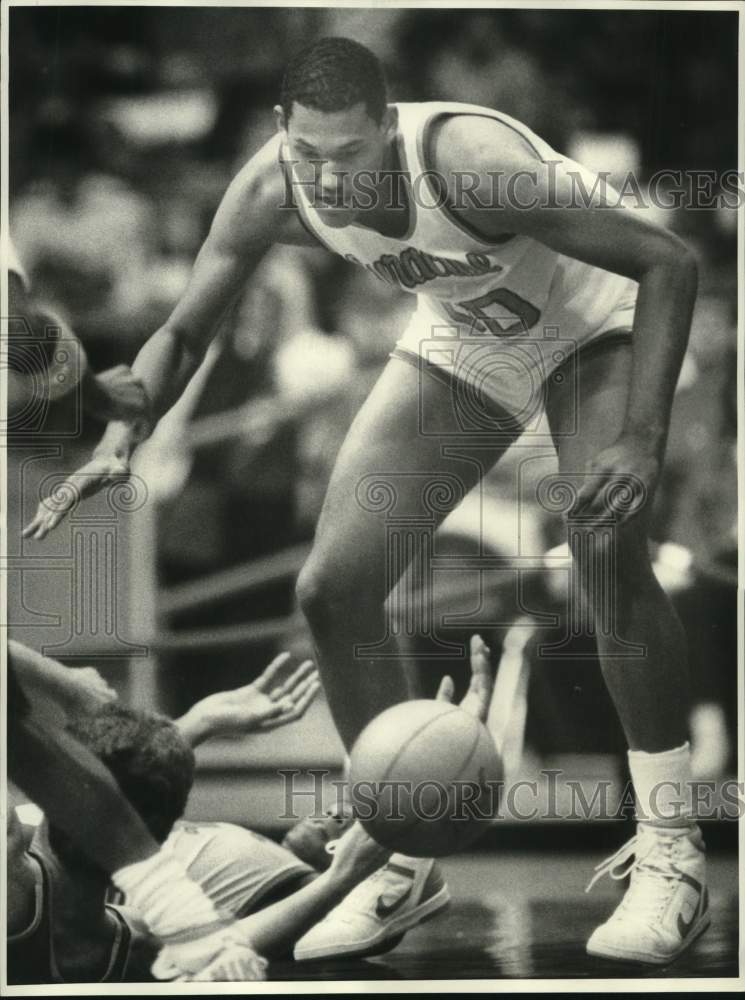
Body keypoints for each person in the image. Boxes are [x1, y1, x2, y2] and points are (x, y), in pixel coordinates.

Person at [25, 37, 705, 966]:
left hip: (592, 316)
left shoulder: (476, 169)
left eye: (350, 155)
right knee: (332, 587)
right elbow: (184, 332)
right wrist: (119, 437)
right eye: (311, 155)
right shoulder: (271, 185)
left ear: (388, 128)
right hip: (469, 331)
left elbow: (667, 261)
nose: (331, 179)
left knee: (600, 552)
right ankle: (401, 856)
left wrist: (638, 438)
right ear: (280, 132)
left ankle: (671, 849)